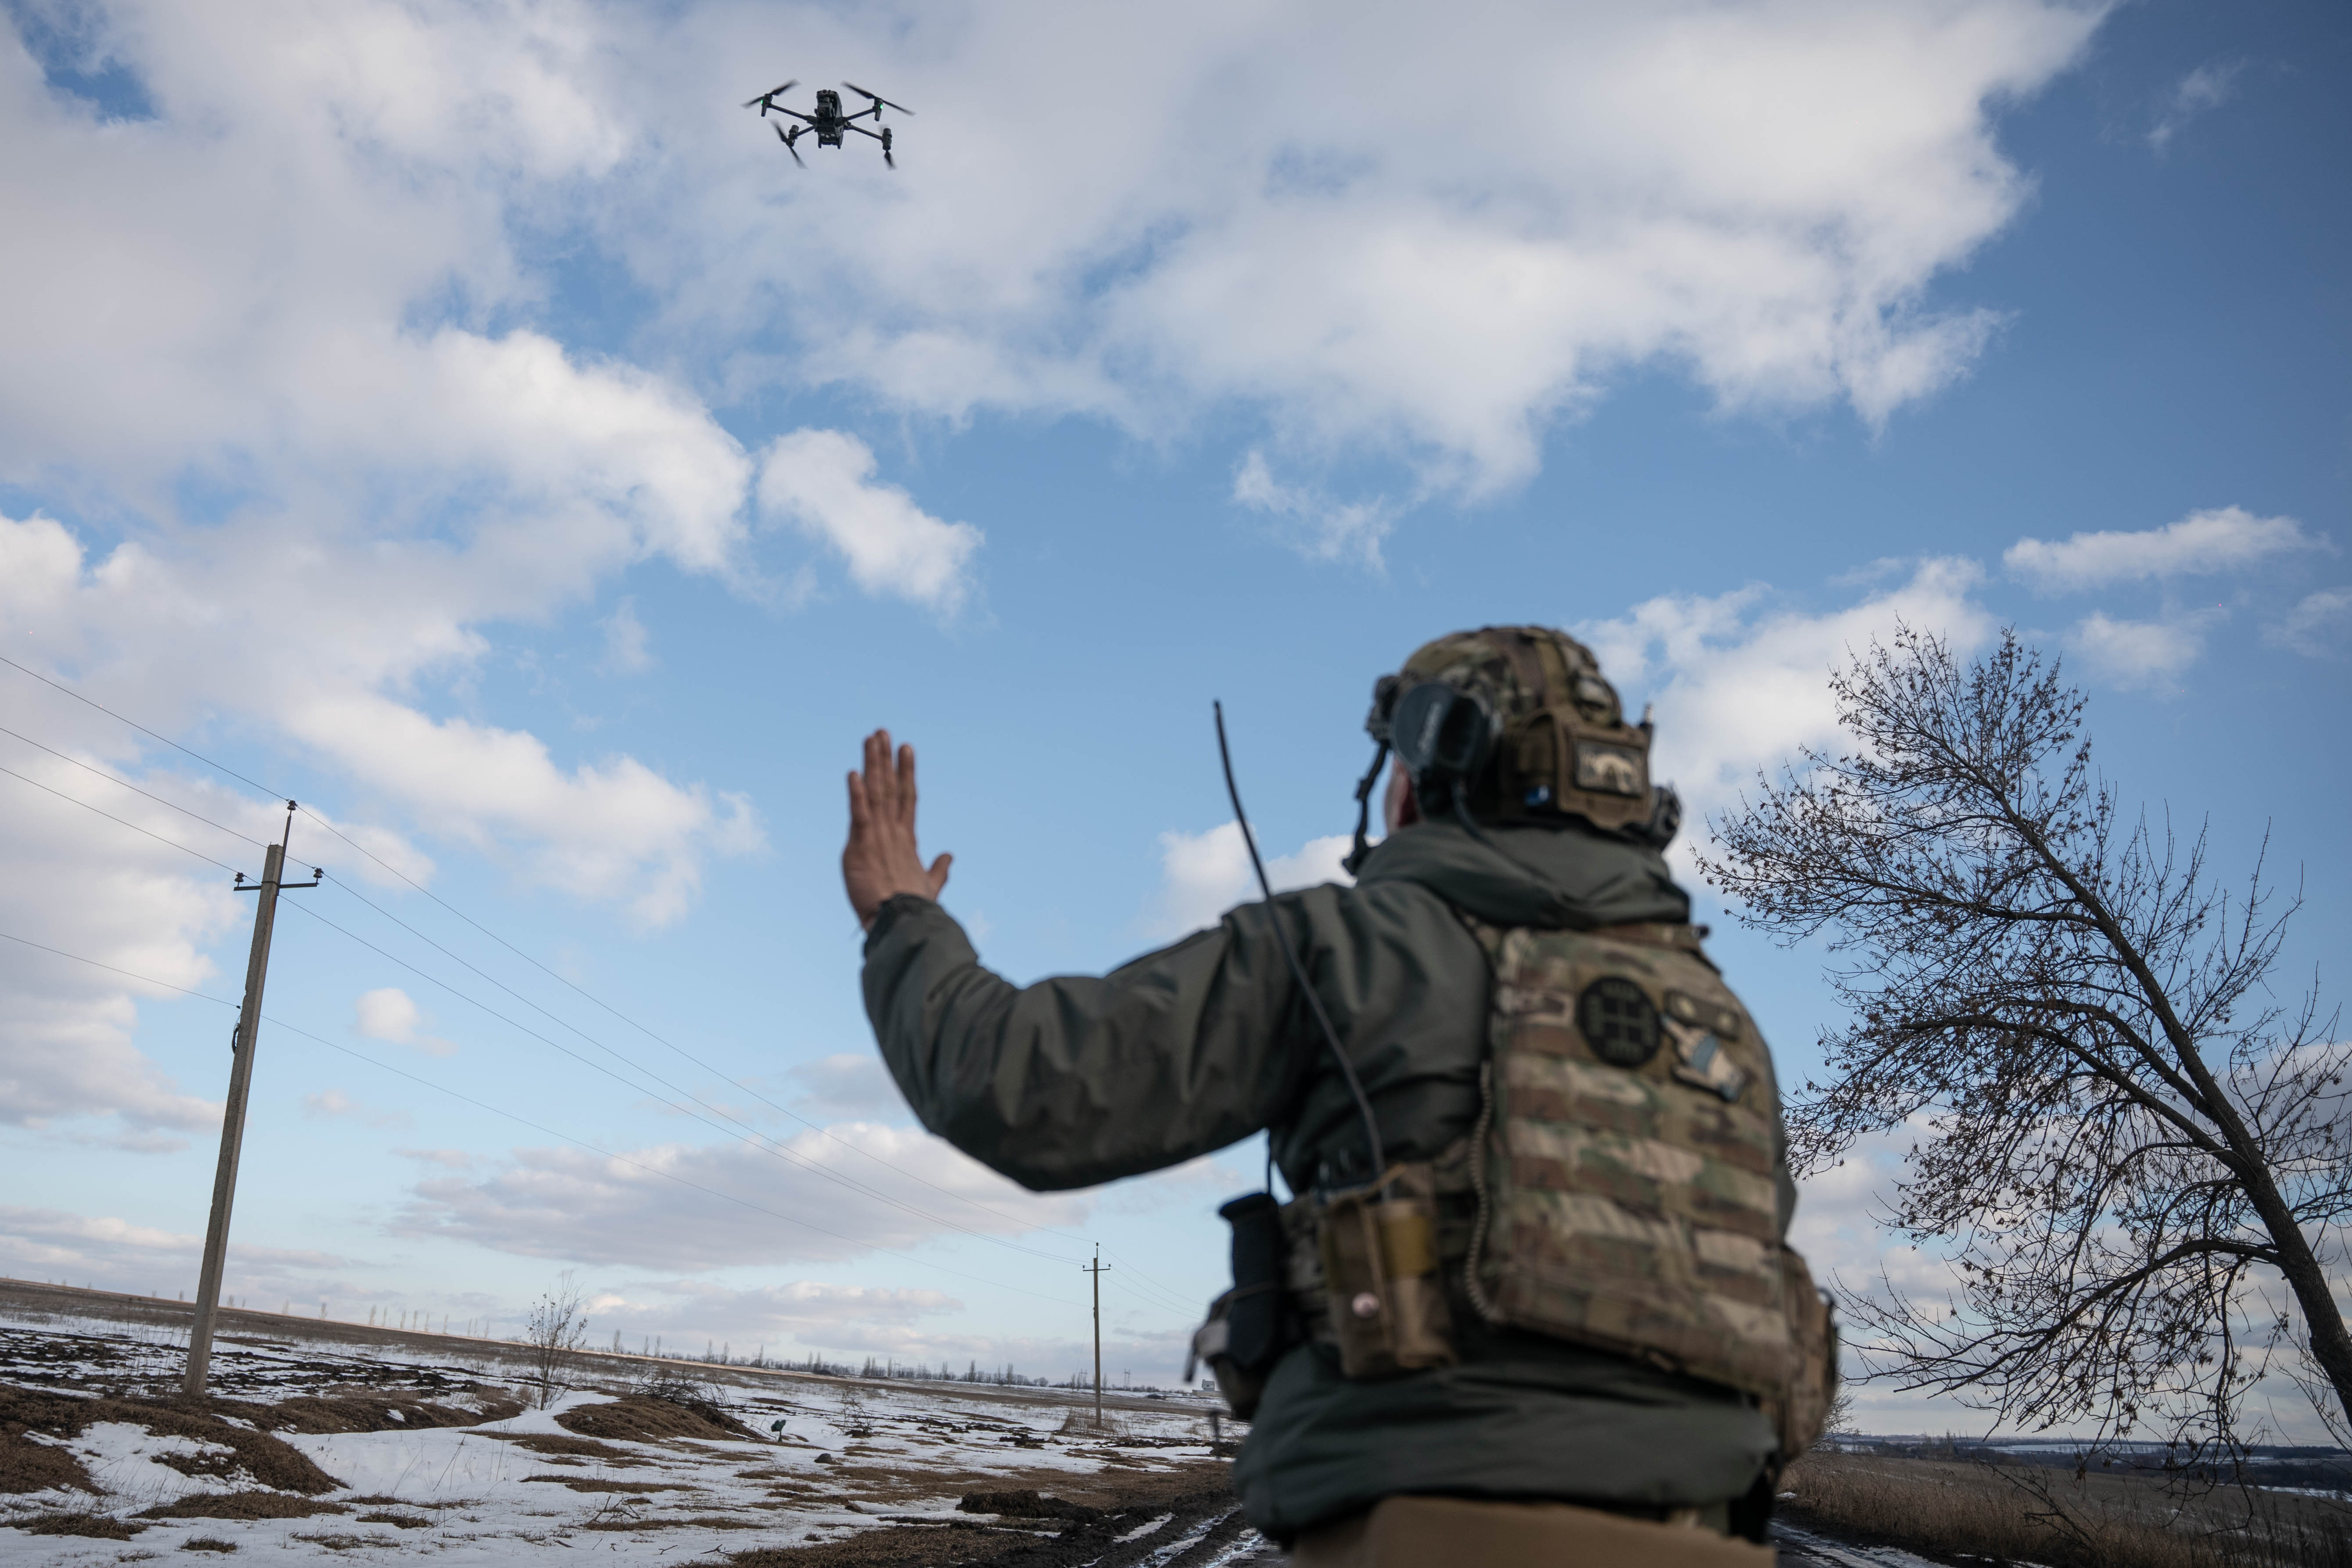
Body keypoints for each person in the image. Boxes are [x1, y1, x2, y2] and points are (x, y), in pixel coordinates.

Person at [843, 626, 1827, 1566]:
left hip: (1420, 1534)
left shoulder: (1347, 948)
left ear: (1419, 777)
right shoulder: (1721, 1026)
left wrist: (903, 917)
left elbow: (1020, 1086)